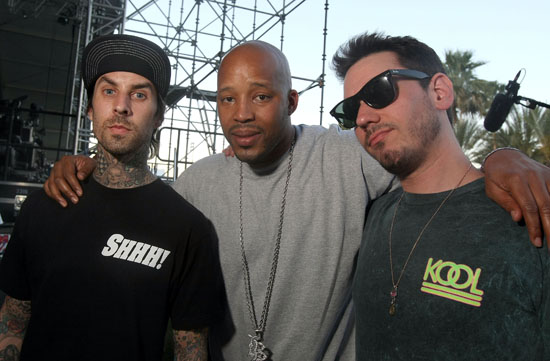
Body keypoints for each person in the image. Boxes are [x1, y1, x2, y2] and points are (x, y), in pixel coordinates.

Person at [43, 40, 550, 361]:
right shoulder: (197, 183)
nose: (241, 114)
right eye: (226, 98)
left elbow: (429, 160)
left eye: (261, 97)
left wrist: (507, 158)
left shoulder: (351, 155)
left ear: (290, 102)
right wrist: (87, 169)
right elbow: (139, 208)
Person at [0, 34, 224, 361]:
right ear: (91, 109)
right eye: (109, 91)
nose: (121, 106)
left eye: (139, 94)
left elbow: (190, 351)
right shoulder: (42, 207)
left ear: (158, 117)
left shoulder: (188, 229)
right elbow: (13, 324)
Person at [330, 32, 550, 360]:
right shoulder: (372, 214)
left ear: (439, 92)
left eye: (379, 91)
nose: (362, 118)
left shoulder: (526, 214)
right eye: (350, 110)